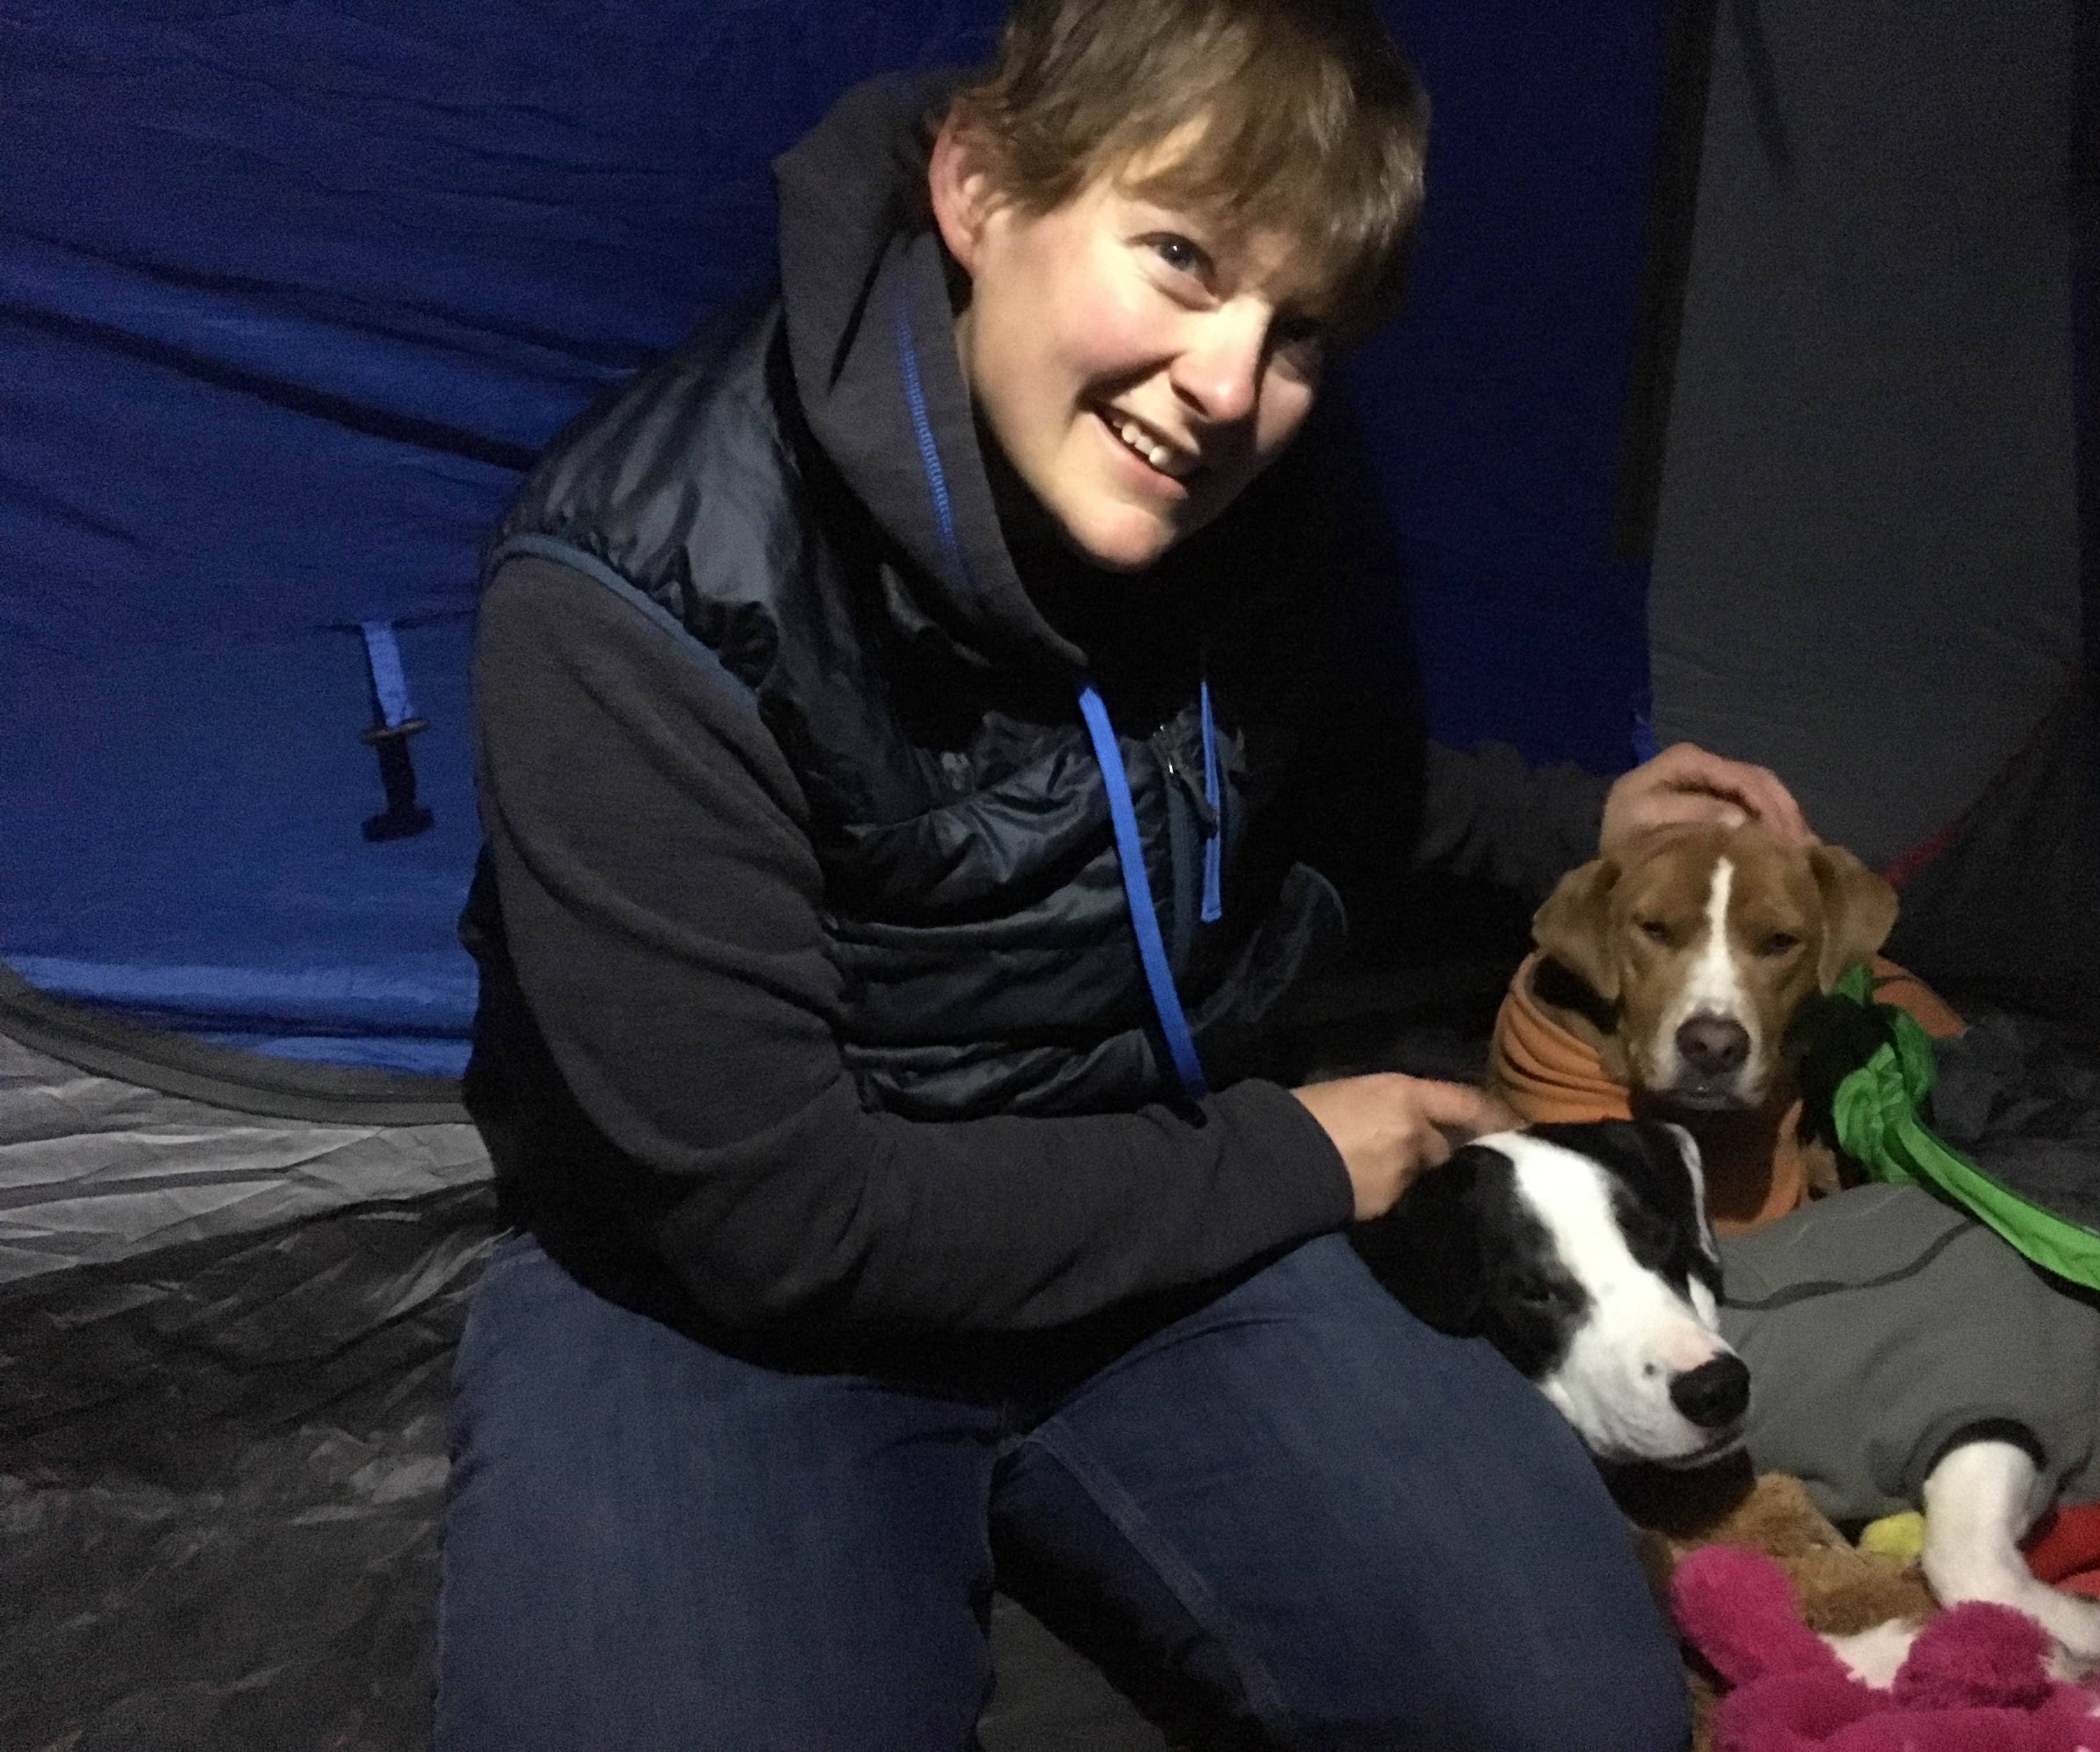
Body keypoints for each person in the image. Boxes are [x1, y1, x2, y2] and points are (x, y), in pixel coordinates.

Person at [434, 1, 1810, 1746]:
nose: (1230, 384)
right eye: (1178, 257)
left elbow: (1334, 791)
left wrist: (1593, 835)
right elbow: (775, 1217)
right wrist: (1304, 1150)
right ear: (980, 185)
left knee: (1565, 1716)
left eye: (1296, 329)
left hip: (1167, 1232)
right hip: (725, 1304)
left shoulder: (1253, 502)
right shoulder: (633, 590)